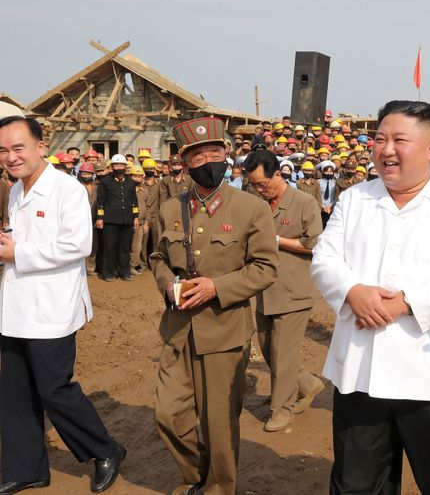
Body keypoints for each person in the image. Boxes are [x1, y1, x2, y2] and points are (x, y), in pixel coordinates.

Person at [311, 100, 430, 494]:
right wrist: (353, 292)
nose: (386, 149)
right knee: (357, 484)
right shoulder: (355, 199)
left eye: (399, 139)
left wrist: (403, 303)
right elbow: (324, 258)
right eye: (379, 139)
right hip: (362, 372)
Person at [150, 117, 279, 495]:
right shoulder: (172, 208)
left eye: (215, 151)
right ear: (184, 162)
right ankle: (196, 475)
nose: (209, 159)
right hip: (178, 330)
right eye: (198, 155)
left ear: (227, 155)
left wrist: (216, 287)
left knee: (220, 424)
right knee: (168, 415)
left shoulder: (250, 208)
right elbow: (157, 256)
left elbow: (266, 268)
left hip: (224, 332)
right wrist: (168, 284)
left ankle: (220, 488)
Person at [0, 113, 126, 494]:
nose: (11, 156)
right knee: (14, 389)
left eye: (18, 147)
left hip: (52, 307)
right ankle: (27, 468)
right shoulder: (16, 190)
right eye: (3, 151)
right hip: (16, 304)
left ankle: (104, 450)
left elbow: (77, 246)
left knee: (54, 388)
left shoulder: (67, 190)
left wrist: (16, 251)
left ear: (41, 147)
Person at [243, 150, 326, 432]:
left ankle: (282, 408)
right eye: (253, 185)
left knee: (282, 355)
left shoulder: (304, 203)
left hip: (293, 291)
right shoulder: (256, 204)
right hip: (264, 290)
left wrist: (276, 239)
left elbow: (314, 244)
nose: (258, 189)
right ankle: (307, 383)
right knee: (267, 348)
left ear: (277, 174)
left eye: (261, 184)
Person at [95, 153, 139, 281]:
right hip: (110, 220)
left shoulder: (131, 182)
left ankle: (124, 273)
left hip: (127, 220)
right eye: (116, 165)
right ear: (112, 166)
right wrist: (99, 218)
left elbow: (134, 202)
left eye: (121, 164)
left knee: (125, 248)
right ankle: (107, 273)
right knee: (109, 247)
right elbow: (100, 201)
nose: (119, 167)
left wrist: (135, 217)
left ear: (125, 166)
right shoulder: (105, 182)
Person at [128, 165, 150, 275]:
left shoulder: (144, 192)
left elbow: (148, 207)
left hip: (141, 224)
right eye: (134, 176)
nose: (137, 179)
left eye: (139, 176)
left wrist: (146, 223)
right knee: (126, 245)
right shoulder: (126, 190)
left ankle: (132, 266)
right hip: (127, 222)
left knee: (137, 246)